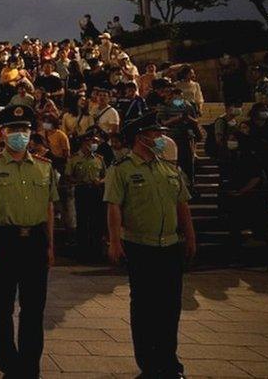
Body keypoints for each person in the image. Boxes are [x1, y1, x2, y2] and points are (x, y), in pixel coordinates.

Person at [105, 113, 196, 379]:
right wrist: (114, 242)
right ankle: (148, 363)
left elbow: (183, 206)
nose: (160, 138)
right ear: (140, 137)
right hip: (139, 245)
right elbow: (114, 207)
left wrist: (190, 237)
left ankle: (169, 362)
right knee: (145, 307)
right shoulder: (122, 169)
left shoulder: (168, 168)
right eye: (155, 134)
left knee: (170, 306)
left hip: (170, 244)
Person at [0, 105, 57, 379]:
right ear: (2, 133)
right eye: (13, 129)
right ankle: (9, 367)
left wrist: (50, 245)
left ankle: (29, 367)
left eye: (23, 129)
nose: (19, 135)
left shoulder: (44, 167)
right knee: (3, 308)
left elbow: (48, 208)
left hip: (35, 239)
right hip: (5, 241)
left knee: (34, 309)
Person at [64, 131, 106, 261]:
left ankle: (97, 251)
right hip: (82, 190)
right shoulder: (74, 159)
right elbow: (68, 176)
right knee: (82, 221)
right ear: (84, 143)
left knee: (96, 221)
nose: (94, 144)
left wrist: (100, 181)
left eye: (95, 142)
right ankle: (83, 251)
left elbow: (106, 175)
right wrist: (78, 181)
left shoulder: (99, 159)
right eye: (92, 142)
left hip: (96, 191)